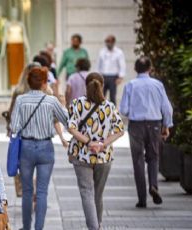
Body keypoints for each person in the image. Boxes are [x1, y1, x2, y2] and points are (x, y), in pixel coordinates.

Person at [10, 67, 68, 230]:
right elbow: (67, 121)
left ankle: (26, 227)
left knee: (27, 191)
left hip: (26, 148)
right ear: (44, 83)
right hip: (45, 147)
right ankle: (39, 228)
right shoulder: (51, 101)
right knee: (42, 191)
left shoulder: (21, 100)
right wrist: (63, 105)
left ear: (28, 82)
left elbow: (14, 127)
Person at [68, 72, 125, 230]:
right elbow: (120, 130)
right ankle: (98, 225)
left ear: (86, 85)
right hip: (103, 157)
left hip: (81, 155)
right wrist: (101, 144)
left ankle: (95, 227)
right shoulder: (109, 106)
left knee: (87, 193)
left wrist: (88, 142)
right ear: (102, 85)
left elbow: (71, 128)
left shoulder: (77, 104)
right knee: (98, 194)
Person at [120, 57, 173, 208]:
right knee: (154, 157)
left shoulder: (130, 85)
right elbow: (167, 108)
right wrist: (166, 125)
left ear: (135, 69)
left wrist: (133, 111)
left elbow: (123, 110)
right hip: (155, 124)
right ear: (150, 68)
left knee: (137, 161)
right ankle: (153, 186)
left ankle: (141, 199)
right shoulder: (158, 85)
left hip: (136, 125)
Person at [96, 35, 126, 104]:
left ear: (113, 42)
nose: (108, 43)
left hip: (113, 77)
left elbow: (122, 65)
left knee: (112, 96)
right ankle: (101, 111)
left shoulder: (119, 52)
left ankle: (113, 113)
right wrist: (97, 76)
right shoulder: (102, 52)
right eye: (106, 41)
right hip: (103, 76)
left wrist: (120, 77)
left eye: (109, 41)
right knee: (101, 95)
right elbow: (98, 64)